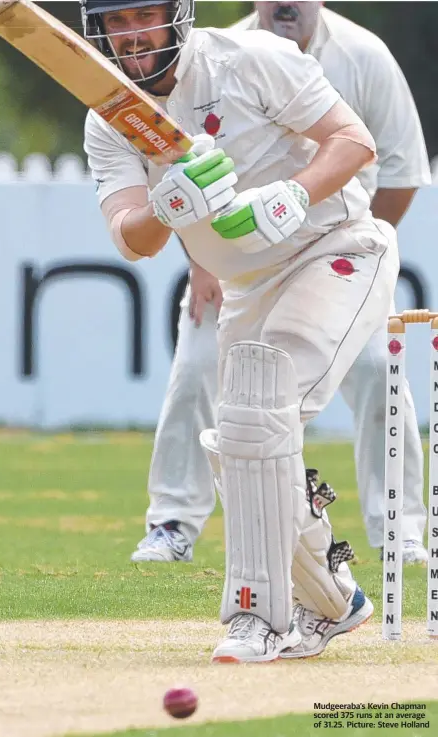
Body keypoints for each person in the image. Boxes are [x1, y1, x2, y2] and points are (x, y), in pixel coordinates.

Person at [83, 0, 399, 661]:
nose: (132, 34)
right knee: (237, 438)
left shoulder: (252, 59)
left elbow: (355, 140)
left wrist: (296, 193)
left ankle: (259, 616)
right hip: (248, 287)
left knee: (260, 412)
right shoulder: (111, 119)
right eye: (116, 22)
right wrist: (168, 207)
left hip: (336, 246)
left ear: (177, 16)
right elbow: (129, 236)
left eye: (144, 15)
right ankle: (336, 598)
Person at [130, 0, 430, 565]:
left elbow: (401, 170)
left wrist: (353, 257)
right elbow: (176, 171)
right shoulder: (210, 53)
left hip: (333, 246)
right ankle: (172, 522)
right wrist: (204, 264)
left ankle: (401, 530)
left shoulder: (365, 56)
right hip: (235, 263)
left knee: (377, 374)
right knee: (197, 368)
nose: (284, 3)